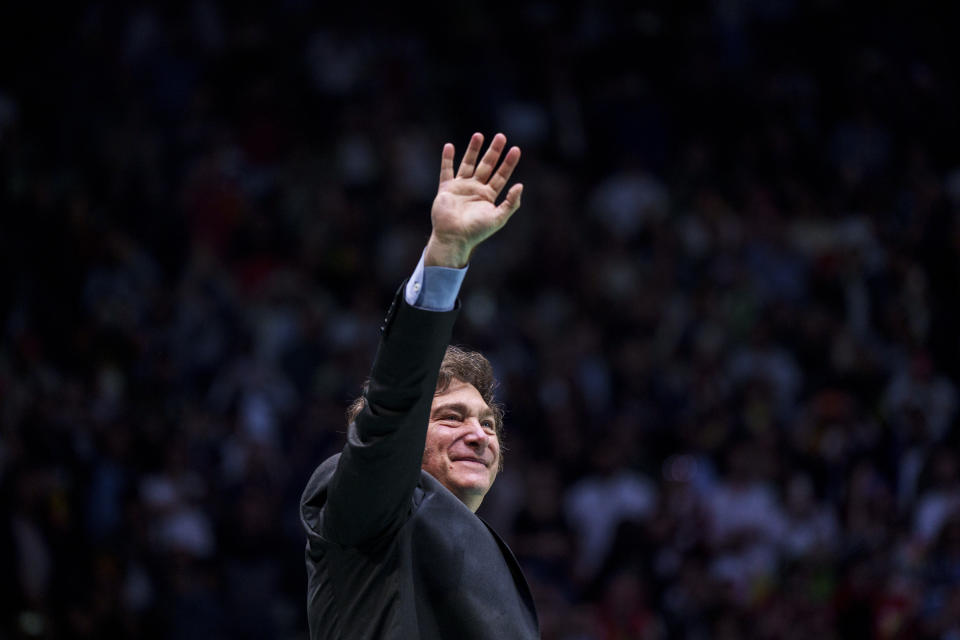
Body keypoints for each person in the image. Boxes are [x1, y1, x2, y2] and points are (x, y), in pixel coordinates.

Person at [300, 132, 539, 639]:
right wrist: (446, 255)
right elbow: (392, 407)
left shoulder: (477, 551)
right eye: (451, 417)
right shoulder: (367, 516)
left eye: (489, 423)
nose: (480, 435)